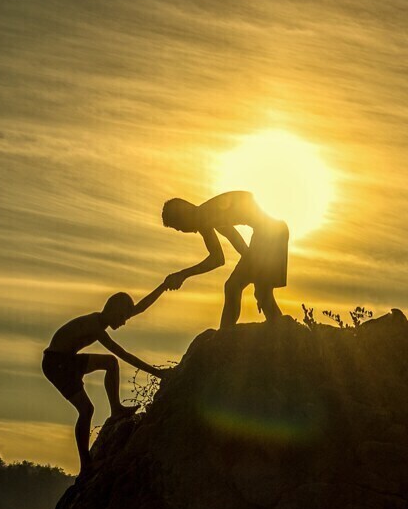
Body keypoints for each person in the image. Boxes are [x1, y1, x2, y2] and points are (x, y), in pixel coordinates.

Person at [43, 285, 166, 473]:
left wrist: (164, 286)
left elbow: (139, 308)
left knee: (110, 363)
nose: (124, 322)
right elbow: (124, 355)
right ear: (114, 311)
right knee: (86, 410)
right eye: (123, 317)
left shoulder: (104, 321)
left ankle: (115, 408)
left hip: (66, 360)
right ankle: (86, 465)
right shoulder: (94, 326)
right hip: (56, 364)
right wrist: (158, 373)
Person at [161, 190, 289, 327]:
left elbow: (217, 259)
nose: (183, 231)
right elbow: (238, 246)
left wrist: (183, 274)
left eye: (179, 227)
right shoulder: (207, 215)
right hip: (273, 233)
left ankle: (225, 335)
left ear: (183, 216)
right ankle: (277, 330)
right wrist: (256, 275)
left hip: (270, 235)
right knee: (259, 293)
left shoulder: (205, 216)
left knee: (234, 286)